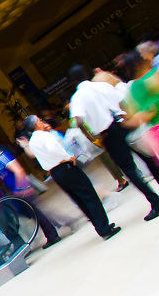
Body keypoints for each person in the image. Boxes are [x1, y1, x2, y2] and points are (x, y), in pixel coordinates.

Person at [68, 64, 159, 221]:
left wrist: (92, 138)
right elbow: (121, 101)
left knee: (130, 170)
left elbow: (79, 121)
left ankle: (155, 202)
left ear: (73, 81)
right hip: (123, 123)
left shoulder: (77, 98)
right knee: (147, 157)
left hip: (108, 134)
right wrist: (127, 118)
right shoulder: (101, 85)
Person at [24, 115, 120, 239]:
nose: (42, 122)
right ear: (36, 123)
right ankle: (104, 228)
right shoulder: (44, 136)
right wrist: (67, 157)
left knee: (79, 199)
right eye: (40, 120)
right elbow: (53, 148)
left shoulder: (32, 142)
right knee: (89, 195)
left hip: (55, 172)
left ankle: (99, 226)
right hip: (65, 166)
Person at [0, 141, 61, 249]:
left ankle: (53, 233)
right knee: (31, 213)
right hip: (17, 192)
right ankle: (55, 225)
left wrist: (20, 187)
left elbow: (18, 170)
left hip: (22, 191)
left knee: (36, 212)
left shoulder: (3, 158)